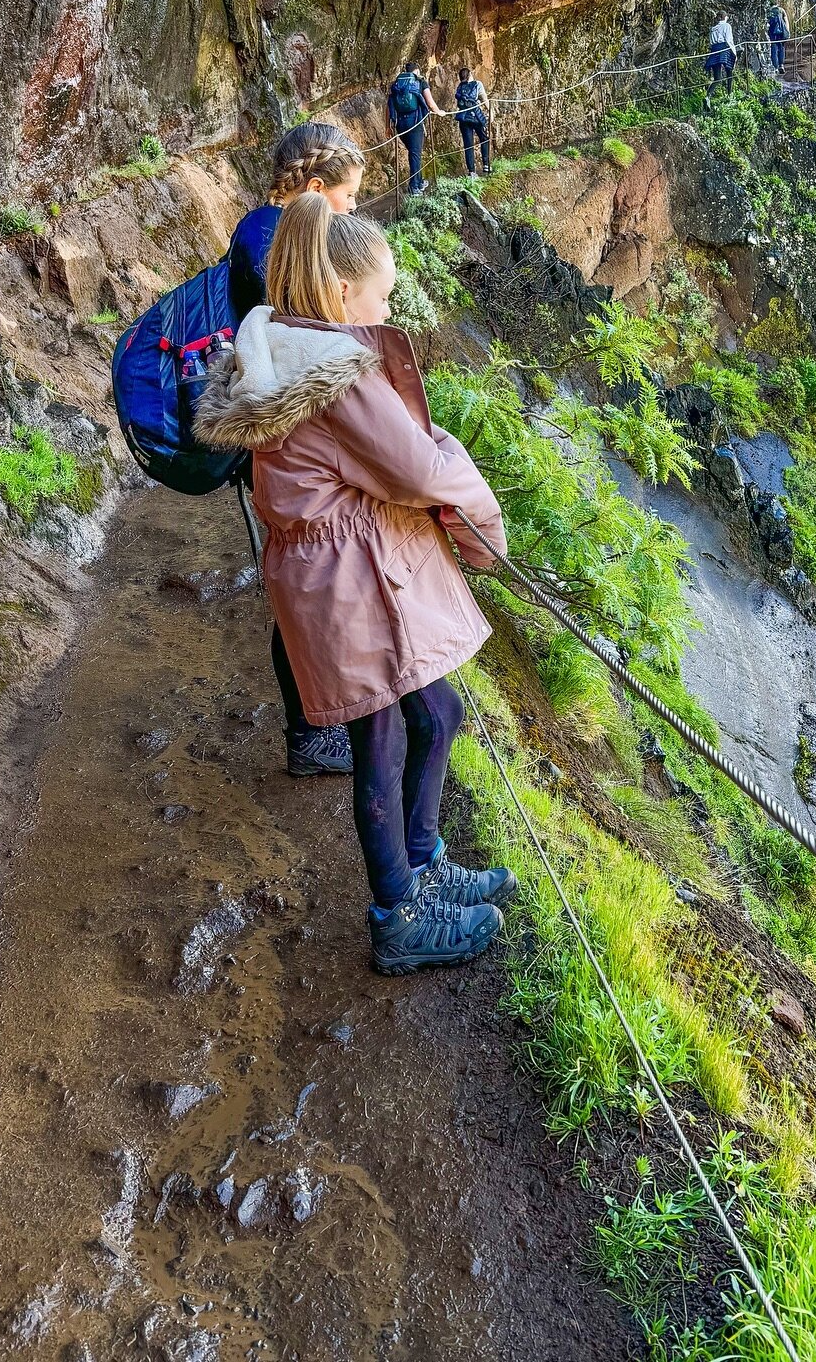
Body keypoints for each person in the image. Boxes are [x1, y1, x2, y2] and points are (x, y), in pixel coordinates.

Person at [196, 195, 515, 974]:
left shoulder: (286, 344)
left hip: (337, 573)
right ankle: (398, 912)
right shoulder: (337, 372)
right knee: (387, 732)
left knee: (431, 711)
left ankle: (421, 864)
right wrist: (480, 514)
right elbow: (415, 467)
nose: (389, 306)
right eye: (385, 294)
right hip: (352, 580)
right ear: (344, 296)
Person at [225, 122, 366, 779]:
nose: (353, 210)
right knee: (302, 590)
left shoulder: (261, 229)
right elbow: (291, 336)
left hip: (283, 433)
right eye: (349, 197)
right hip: (285, 439)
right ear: (316, 189)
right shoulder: (270, 240)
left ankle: (318, 726)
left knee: (302, 584)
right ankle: (312, 734)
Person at [386, 63, 440, 196]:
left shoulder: (396, 84)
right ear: (417, 70)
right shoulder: (420, 82)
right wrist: (439, 112)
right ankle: (414, 187)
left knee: (413, 153)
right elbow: (430, 103)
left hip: (400, 124)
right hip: (416, 122)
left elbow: (389, 106)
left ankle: (420, 181)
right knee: (415, 154)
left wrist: (388, 126)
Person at [452, 65, 492, 176]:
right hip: (475, 117)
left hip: (463, 118)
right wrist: (491, 112)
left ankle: (471, 172)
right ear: (469, 75)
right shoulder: (477, 84)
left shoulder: (459, 87)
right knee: (484, 138)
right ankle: (486, 165)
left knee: (468, 144)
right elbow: (484, 99)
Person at [705, 12, 737, 97]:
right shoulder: (727, 26)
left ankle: (708, 96)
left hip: (714, 50)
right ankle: (730, 94)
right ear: (725, 17)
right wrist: (734, 52)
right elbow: (729, 40)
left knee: (717, 78)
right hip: (724, 49)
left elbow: (711, 42)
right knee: (729, 70)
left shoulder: (713, 28)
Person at [766, 3, 789, 74]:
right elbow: (786, 21)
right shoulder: (781, 10)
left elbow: (767, 23)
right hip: (781, 33)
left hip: (772, 33)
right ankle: (781, 65)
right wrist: (787, 32)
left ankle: (775, 67)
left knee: (774, 49)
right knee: (781, 48)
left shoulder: (768, 11)